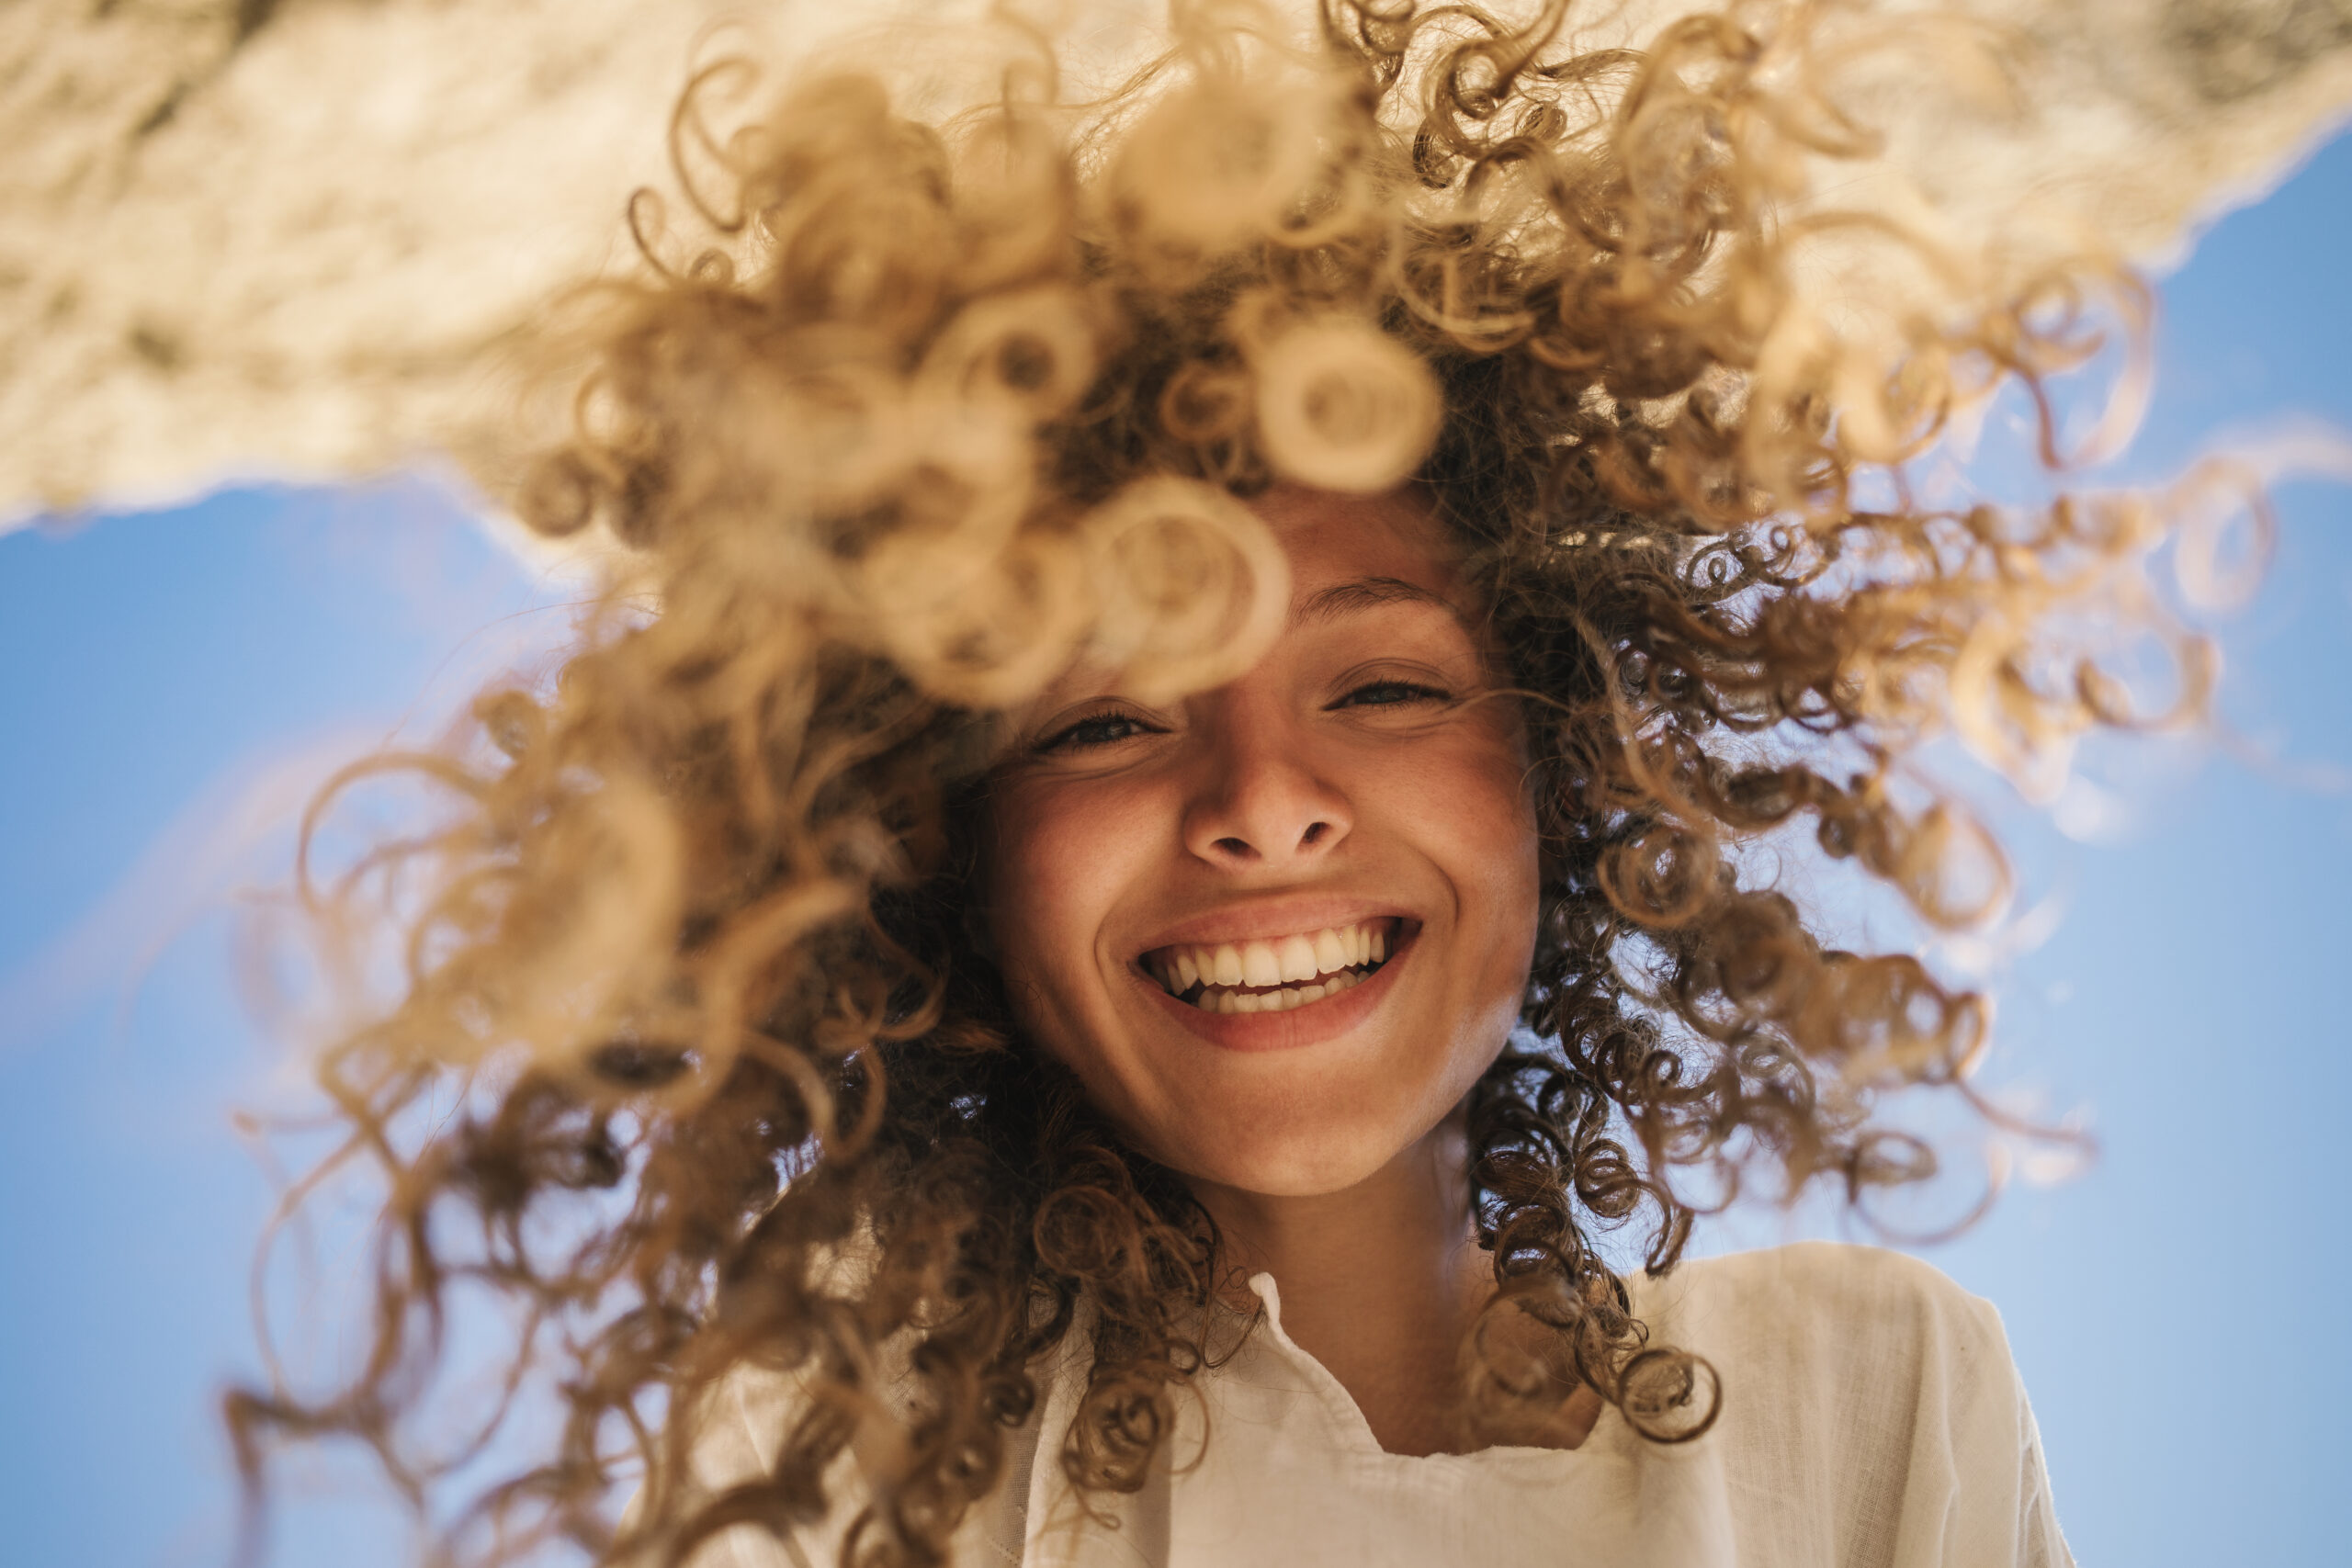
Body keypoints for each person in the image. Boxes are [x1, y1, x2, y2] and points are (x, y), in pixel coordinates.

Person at [230, 2, 2154, 1562]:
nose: (1257, 799)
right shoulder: (822, 1479)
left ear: (1562, 769)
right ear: (943, 865)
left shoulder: (1876, 1404)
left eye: (1385, 683)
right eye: (1099, 719)